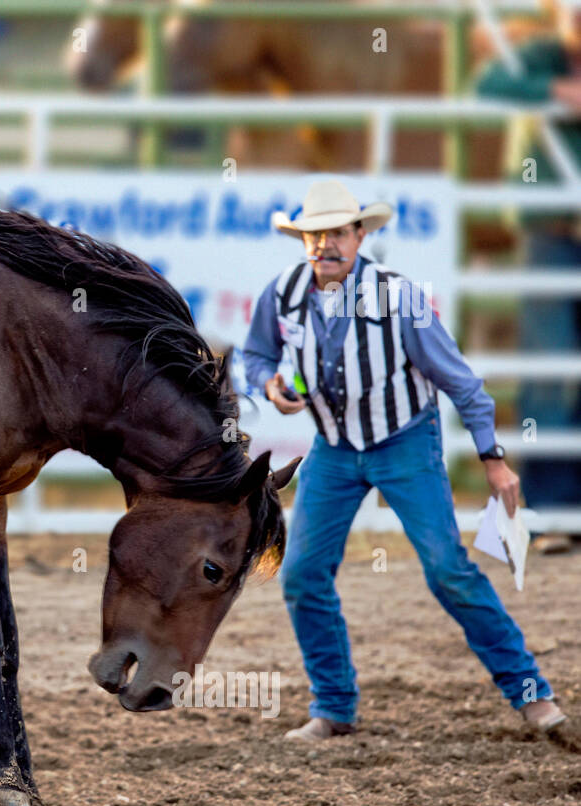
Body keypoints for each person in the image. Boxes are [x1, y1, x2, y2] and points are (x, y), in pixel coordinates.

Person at [242, 179, 566, 739]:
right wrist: (270, 384)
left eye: (338, 233)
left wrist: (492, 457)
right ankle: (333, 706)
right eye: (315, 235)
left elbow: (461, 382)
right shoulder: (282, 295)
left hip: (404, 442)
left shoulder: (399, 297)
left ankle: (532, 693)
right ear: (303, 241)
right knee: (301, 574)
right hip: (336, 447)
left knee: (447, 570)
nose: (326, 244)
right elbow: (255, 354)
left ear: (359, 234)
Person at [476, 0, 581, 556]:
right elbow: (489, 85)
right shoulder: (539, 59)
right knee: (550, 367)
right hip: (551, 231)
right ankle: (549, 511)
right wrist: (560, 94)